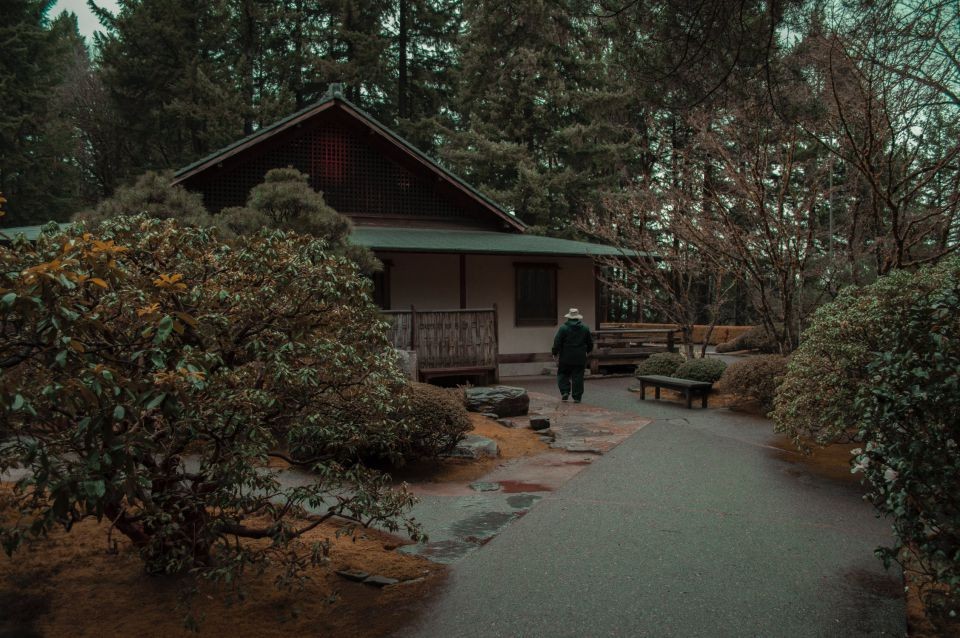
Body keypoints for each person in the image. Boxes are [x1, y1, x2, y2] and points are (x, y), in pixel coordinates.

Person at [551, 308, 594, 403]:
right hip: (580, 357)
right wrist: (587, 351)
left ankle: (565, 392)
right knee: (578, 376)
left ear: (569, 317)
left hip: (565, 357)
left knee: (562, 374)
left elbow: (557, 342)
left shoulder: (563, 328)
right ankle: (577, 397)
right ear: (578, 318)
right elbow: (590, 343)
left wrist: (554, 352)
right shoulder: (585, 328)